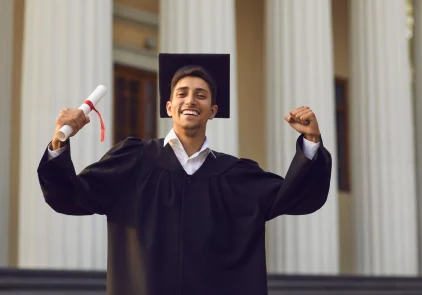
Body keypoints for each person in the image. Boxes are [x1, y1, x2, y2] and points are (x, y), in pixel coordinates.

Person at [37, 53, 332, 295]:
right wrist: (59, 142)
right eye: (182, 94)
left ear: (213, 110)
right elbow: (72, 195)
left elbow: (295, 196)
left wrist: (311, 142)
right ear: (169, 106)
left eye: (201, 95)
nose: (191, 100)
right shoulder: (133, 162)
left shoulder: (236, 175)